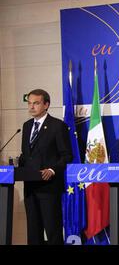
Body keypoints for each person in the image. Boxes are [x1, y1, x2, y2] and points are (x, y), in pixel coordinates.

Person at [19, 89, 73, 245]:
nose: (31, 107)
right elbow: (27, 155)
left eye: (36, 103)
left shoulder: (57, 126)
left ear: (46, 105)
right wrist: (16, 165)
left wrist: (52, 170)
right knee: (33, 231)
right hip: (30, 187)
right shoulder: (27, 126)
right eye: (29, 103)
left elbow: (67, 155)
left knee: (53, 230)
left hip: (49, 187)